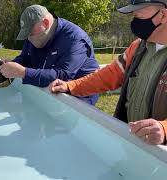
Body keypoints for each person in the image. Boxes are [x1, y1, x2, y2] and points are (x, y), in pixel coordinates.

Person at [49, 0, 167, 145]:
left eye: (139, 16)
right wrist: (71, 86)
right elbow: (109, 75)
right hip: (133, 145)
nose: (134, 22)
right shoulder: (137, 47)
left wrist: (164, 129)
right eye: (133, 16)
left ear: (163, 15)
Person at [0, 5, 99, 105]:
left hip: (80, 96)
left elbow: (63, 76)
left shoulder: (74, 38)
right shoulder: (37, 34)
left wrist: (24, 73)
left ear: (45, 23)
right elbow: (26, 58)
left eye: (30, 33)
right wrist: (12, 65)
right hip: (49, 92)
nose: (29, 38)